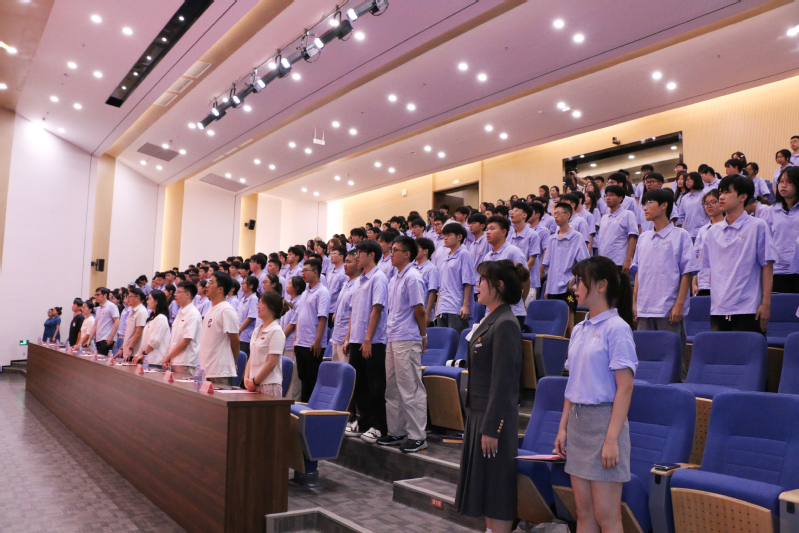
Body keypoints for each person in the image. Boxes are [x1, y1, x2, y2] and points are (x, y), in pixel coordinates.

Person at [554, 256, 637, 533]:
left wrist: (611, 439)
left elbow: (625, 387)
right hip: (578, 425)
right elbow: (572, 384)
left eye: (580, 281)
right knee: (584, 513)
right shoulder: (579, 329)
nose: (574, 286)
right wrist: (563, 428)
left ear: (601, 286)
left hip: (604, 425)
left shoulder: (618, 328)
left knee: (607, 516)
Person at [455, 260, 527, 533]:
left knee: (497, 490)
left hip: (493, 418)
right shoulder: (491, 318)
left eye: (483, 280)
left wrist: (492, 427)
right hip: (479, 414)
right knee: (485, 487)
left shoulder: (506, 323)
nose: (478, 285)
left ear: (498, 286)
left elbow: (503, 381)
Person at [633, 189, 697, 371]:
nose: (644, 208)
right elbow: (638, 272)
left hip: (668, 309)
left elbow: (687, 273)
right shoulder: (643, 238)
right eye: (644, 203)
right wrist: (635, 302)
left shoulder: (681, 235)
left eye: (649, 203)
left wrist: (679, 304)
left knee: (672, 363)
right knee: (645, 360)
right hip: (645, 308)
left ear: (664, 205)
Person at [702, 175, 775, 333]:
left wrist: (766, 304)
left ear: (743, 197)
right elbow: (710, 269)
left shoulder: (757, 226)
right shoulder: (712, 231)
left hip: (748, 308)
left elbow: (767, 266)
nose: (721, 197)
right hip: (719, 308)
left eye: (727, 192)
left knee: (749, 349)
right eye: (720, 192)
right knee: (720, 349)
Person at [377, 236, 429, 453]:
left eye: (395, 250)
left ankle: (418, 436)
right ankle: (397, 431)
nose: (391, 254)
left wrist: (423, 336)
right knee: (392, 387)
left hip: (408, 338)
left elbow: (420, 310)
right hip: (393, 337)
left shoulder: (413, 277)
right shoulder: (394, 278)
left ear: (407, 254)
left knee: (410, 388)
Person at [344, 240, 390, 442]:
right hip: (356, 339)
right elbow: (354, 311)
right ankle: (364, 422)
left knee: (375, 385)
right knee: (359, 384)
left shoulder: (378, 278)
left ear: (371, 255)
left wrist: (368, 339)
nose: (357, 256)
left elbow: (377, 309)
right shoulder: (358, 281)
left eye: (360, 252)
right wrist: (348, 338)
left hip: (373, 341)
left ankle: (379, 426)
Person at [542, 202, 590, 335]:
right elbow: (549, 265)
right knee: (553, 323)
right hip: (553, 288)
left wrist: (574, 278)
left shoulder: (576, 237)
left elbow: (584, 263)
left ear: (568, 215)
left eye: (559, 213)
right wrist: (547, 287)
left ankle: (574, 344)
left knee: (569, 323)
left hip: (568, 288)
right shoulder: (552, 239)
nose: (556, 216)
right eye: (554, 214)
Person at [481, 215, 531, 330]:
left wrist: (519, 300)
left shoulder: (513, 252)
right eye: (487, 229)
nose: (488, 232)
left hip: (512, 312)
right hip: (491, 312)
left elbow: (525, 280)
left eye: (492, 229)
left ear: (503, 232)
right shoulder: (487, 256)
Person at [292, 258, 331, 401]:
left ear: (315, 272)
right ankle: (304, 407)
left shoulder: (322, 292)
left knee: (313, 379)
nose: (303, 273)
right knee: (303, 379)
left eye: (305, 271)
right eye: (302, 271)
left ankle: (312, 408)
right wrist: (296, 339)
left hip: (312, 344)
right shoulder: (305, 293)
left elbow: (323, 318)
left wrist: (318, 340)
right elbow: (299, 318)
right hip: (301, 342)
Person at [198, 272, 241, 385]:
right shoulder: (212, 308)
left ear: (220, 289)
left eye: (211, 282)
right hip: (206, 369)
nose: (206, 285)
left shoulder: (226, 310)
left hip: (219, 371)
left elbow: (235, 340)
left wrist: (233, 362)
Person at [243, 291, 288, 396]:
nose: (258, 306)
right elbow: (251, 357)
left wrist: (255, 381)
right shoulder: (257, 330)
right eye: (258, 303)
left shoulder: (276, 331)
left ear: (271, 308)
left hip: (269, 386)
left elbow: (272, 362)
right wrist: (246, 379)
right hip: (253, 385)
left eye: (261, 303)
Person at [434, 223, 476, 335]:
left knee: (456, 340)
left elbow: (468, 282)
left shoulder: (464, 254)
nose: (445, 238)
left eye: (449, 235)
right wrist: (437, 308)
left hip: (456, 308)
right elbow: (441, 286)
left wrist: (465, 306)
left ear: (459, 237)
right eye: (444, 235)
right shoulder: (445, 258)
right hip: (443, 307)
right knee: (443, 341)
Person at [768, 167, 799, 293]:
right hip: (778, 270)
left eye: (789, 182)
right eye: (781, 182)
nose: (783, 185)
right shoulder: (771, 211)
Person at [162, 281, 202, 374]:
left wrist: (168, 357)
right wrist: (168, 357)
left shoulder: (193, 314)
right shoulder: (180, 312)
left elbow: (186, 341)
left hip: (185, 363)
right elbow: (174, 339)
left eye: (179, 292)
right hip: (174, 361)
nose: (175, 294)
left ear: (187, 294)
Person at [597, 185, 639, 273]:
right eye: (606, 195)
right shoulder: (604, 217)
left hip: (619, 261)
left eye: (611, 195)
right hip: (603, 261)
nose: (608, 198)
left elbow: (633, 237)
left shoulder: (627, 214)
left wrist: (628, 260)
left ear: (620, 198)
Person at [330, 250, 362, 363]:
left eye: (348, 262)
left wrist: (347, 337)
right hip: (337, 336)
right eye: (345, 262)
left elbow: (355, 313)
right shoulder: (346, 284)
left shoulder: (359, 285)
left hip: (346, 338)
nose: (345, 265)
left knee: (346, 371)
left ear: (358, 265)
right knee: (335, 371)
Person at [692, 190, 724, 297]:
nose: (709, 206)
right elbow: (698, 258)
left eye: (713, 202)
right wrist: (694, 283)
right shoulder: (703, 230)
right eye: (706, 203)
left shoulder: (728, 227)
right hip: (704, 282)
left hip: (722, 282)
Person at [281, 276, 306, 400]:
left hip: (291, 343)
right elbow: (282, 322)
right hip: (284, 342)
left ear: (296, 288)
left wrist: (280, 337)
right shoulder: (288, 301)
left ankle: (293, 403)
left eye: (290, 283)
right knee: (284, 376)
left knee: (293, 378)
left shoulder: (300, 302)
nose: (286, 285)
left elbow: (292, 324)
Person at [132, 290, 171, 368]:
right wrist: (138, 354)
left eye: (149, 299)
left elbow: (154, 341)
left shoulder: (161, 318)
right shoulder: (152, 318)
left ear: (156, 301)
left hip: (156, 360)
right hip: (146, 358)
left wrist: (144, 354)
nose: (147, 301)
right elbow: (144, 340)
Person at [672, 172, 709, 241]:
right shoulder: (684, 198)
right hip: (688, 233)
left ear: (696, 180)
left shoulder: (704, 194)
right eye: (686, 180)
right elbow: (683, 216)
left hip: (703, 231)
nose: (687, 182)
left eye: (689, 180)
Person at [415, 237, 440, 325]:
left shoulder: (431, 269)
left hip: (424, 313)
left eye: (417, 248)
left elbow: (432, 292)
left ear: (425, 251)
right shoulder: (412, 268)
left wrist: (427, 313)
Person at [89, 287, 120, 355]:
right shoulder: (98, 308)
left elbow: (117, 321)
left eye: (98, 295)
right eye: (95, 295)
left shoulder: (111, 306)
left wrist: (112, 336)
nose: (96, 297)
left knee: (102, 358)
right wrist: (89, 339)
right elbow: (95, 325)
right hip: (98, 338)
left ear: (105, 295)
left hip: (107, 338)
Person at [120, 288, 148, 361]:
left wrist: (131, 348)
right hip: (127, 350)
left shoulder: (141, 312)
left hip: (134, 352)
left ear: (137, 298)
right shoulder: (131, 311)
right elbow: (128, 333)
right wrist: (121, 349)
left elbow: (139, 332)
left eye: (130, 296)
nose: (128, 299)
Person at [238, 276, 259, 356]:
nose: (242, 285)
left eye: (244, 283)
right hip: (239, 334)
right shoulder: (243, 299)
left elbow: (250, 317)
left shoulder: (253, 298)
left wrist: (239, 330)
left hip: (246, 335)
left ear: (251, 285)